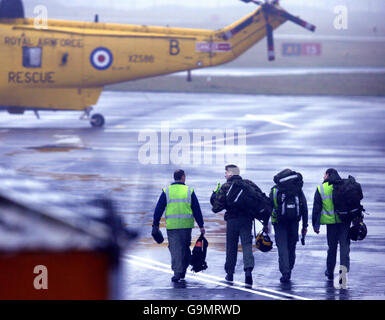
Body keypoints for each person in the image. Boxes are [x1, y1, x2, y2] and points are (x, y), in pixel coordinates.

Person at [210, 164, 267, 286]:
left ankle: (230, 273)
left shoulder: (226, 187)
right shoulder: (248, 184)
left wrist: (214, 196)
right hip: (246, 220)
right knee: (247, 245)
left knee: (231, 247)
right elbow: (259, 197)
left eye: (226, 173)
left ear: (231, 173)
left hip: (232, 220)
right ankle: (248, 271)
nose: (225, 175)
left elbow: (216, 208)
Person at [152, 169, 205, 283]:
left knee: (176, 249)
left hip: (172, 226)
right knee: (185, 248)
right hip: (186, 226)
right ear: (183, 177)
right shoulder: (189, 190)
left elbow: (159, 208)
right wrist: (201, 225)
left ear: (174, 178)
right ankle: (182, 270)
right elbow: (196, 209)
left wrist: (155, 224)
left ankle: (177, 272)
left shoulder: (167, 191)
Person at [269, 169, 308, 283]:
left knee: (282, 248)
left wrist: (266, 224)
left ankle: (285, 272)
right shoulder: (298, 190)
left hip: (279, 223)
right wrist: (304, 225)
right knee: (292, 247)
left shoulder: (275, 190)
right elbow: (304, 208)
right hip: (294, 222)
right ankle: (289, 269)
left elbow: (269, 207)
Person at [312, 168, 350, 280]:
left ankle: (329, 272)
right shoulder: (345, 186)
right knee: (344, 248)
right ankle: (343, 274)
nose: (323, 177)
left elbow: (316, 209)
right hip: (344, 222)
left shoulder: (322, 188)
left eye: (324, 174)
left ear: (328, 175)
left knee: (332, 248)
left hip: (331, 224)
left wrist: (316, 225)